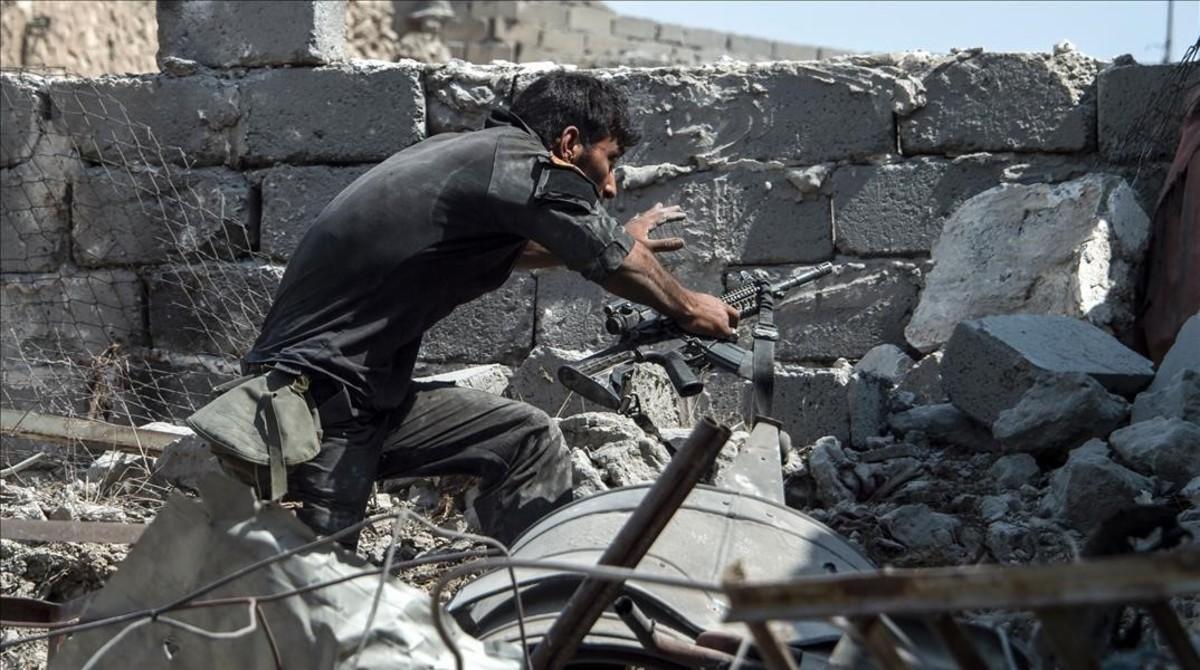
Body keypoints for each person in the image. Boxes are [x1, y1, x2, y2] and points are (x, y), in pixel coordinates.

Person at [242, 72, 739, 547]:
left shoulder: (468, 156)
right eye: (609, 160)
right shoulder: (519, 161)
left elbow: (532, 246)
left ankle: (530, 601)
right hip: (314, 402)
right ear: (569, 144)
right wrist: (693, 307)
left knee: (523, 437)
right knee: (316, 586)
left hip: (364, 399)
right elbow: (606, 256)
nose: (610, 188)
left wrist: (613, 240)